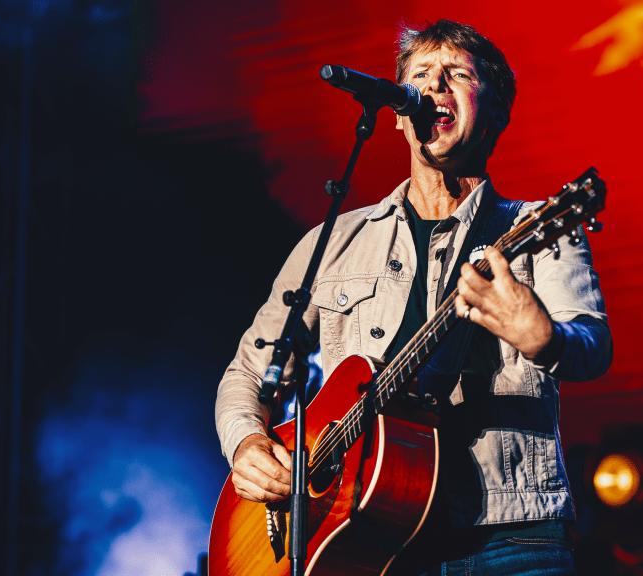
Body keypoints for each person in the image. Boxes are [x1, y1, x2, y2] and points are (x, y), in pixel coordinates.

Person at [215, 19, 612, 575]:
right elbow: (248, 373)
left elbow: (592, 344)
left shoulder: (535, 229)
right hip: (369, 537)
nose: (434, 88)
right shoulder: (333, 243)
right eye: (420, 76)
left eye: (457, 75)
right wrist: (247, 447)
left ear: (495, 110)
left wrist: (543, 338)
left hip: (511, 536)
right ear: (399, 115)